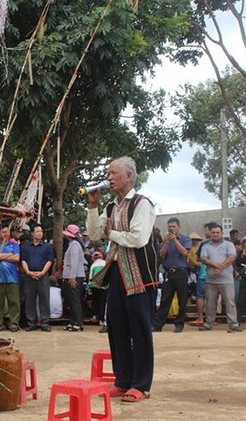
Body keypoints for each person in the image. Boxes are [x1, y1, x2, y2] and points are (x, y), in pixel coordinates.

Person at [86, 156, 159, 403]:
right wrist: (93, 206)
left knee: (139, 330)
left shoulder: (143, 204)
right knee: (116, 327)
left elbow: (138, 238)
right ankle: (122, 380)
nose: (109, 177)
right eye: (108, 173)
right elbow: (95, 234)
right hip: (117, 272)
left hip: (140, 276)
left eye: (114, 173)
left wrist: (112, 234)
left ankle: (141, 385)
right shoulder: (110, 207)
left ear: (129, 176)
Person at [199, 224, 241, 333]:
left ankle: (233, 324)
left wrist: (220, 266)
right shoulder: (205, 246)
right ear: (210, 234)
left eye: (218, 232)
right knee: (210, 303)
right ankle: (208, 323)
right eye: (213, 232)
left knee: (230, 302)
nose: (215, 234)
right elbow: (203, 258)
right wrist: (215, 265)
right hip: (211, 280)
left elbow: (232, 257)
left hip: (226, 279)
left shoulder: (229, 244)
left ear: (222, 234)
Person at [153, 217, 192, 333]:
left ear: (179, 227)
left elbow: (185, 252)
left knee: (182, 299)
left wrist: (175, 240)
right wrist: (167, 242)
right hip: (168, 273)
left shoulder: (185, 239)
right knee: (165, 299)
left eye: (174, 226)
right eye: (170, 226)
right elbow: (162, 255)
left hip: (181, 272)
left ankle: (179, 324)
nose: (171, 228)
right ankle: (158, 324)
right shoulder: (166, 240)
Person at [20, 223, 55, 332]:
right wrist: (28, 272)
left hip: (43, 275)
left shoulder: (47, 246)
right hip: (29, 276)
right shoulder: (26, 246)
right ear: (32, 233)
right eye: (38, 231)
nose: (40, 233)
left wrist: (42, 272)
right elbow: (23, 260)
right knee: (29, 299)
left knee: (44, 298)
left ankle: (45, 323)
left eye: (41, 231)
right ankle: (31, 323)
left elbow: (50, 261)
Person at [0, 224, 21, 332]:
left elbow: (17, 258)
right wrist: (9, 255)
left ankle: (14, 323)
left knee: (14, 301)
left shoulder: (14, 244)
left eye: (7, 232)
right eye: (3, 232)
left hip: (13, 278)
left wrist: (2, 255)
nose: (5, 234)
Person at [61, 224, 86, 332]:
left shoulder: (75, 245)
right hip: (72, 275)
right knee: (71, 300)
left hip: (75, 276)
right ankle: (73, 321)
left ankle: (77, 323)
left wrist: (72, 277)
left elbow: (74, 262)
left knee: (75, 300)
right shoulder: (72, 244)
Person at [88, 251, 108, 333]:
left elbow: (90, 276)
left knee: (95, 301)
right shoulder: (105, 263)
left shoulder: (93, 265)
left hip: (95, 285)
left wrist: (89, 287)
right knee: (102, 302)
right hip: (104, 285)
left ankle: (94, 316)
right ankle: (101, 320)